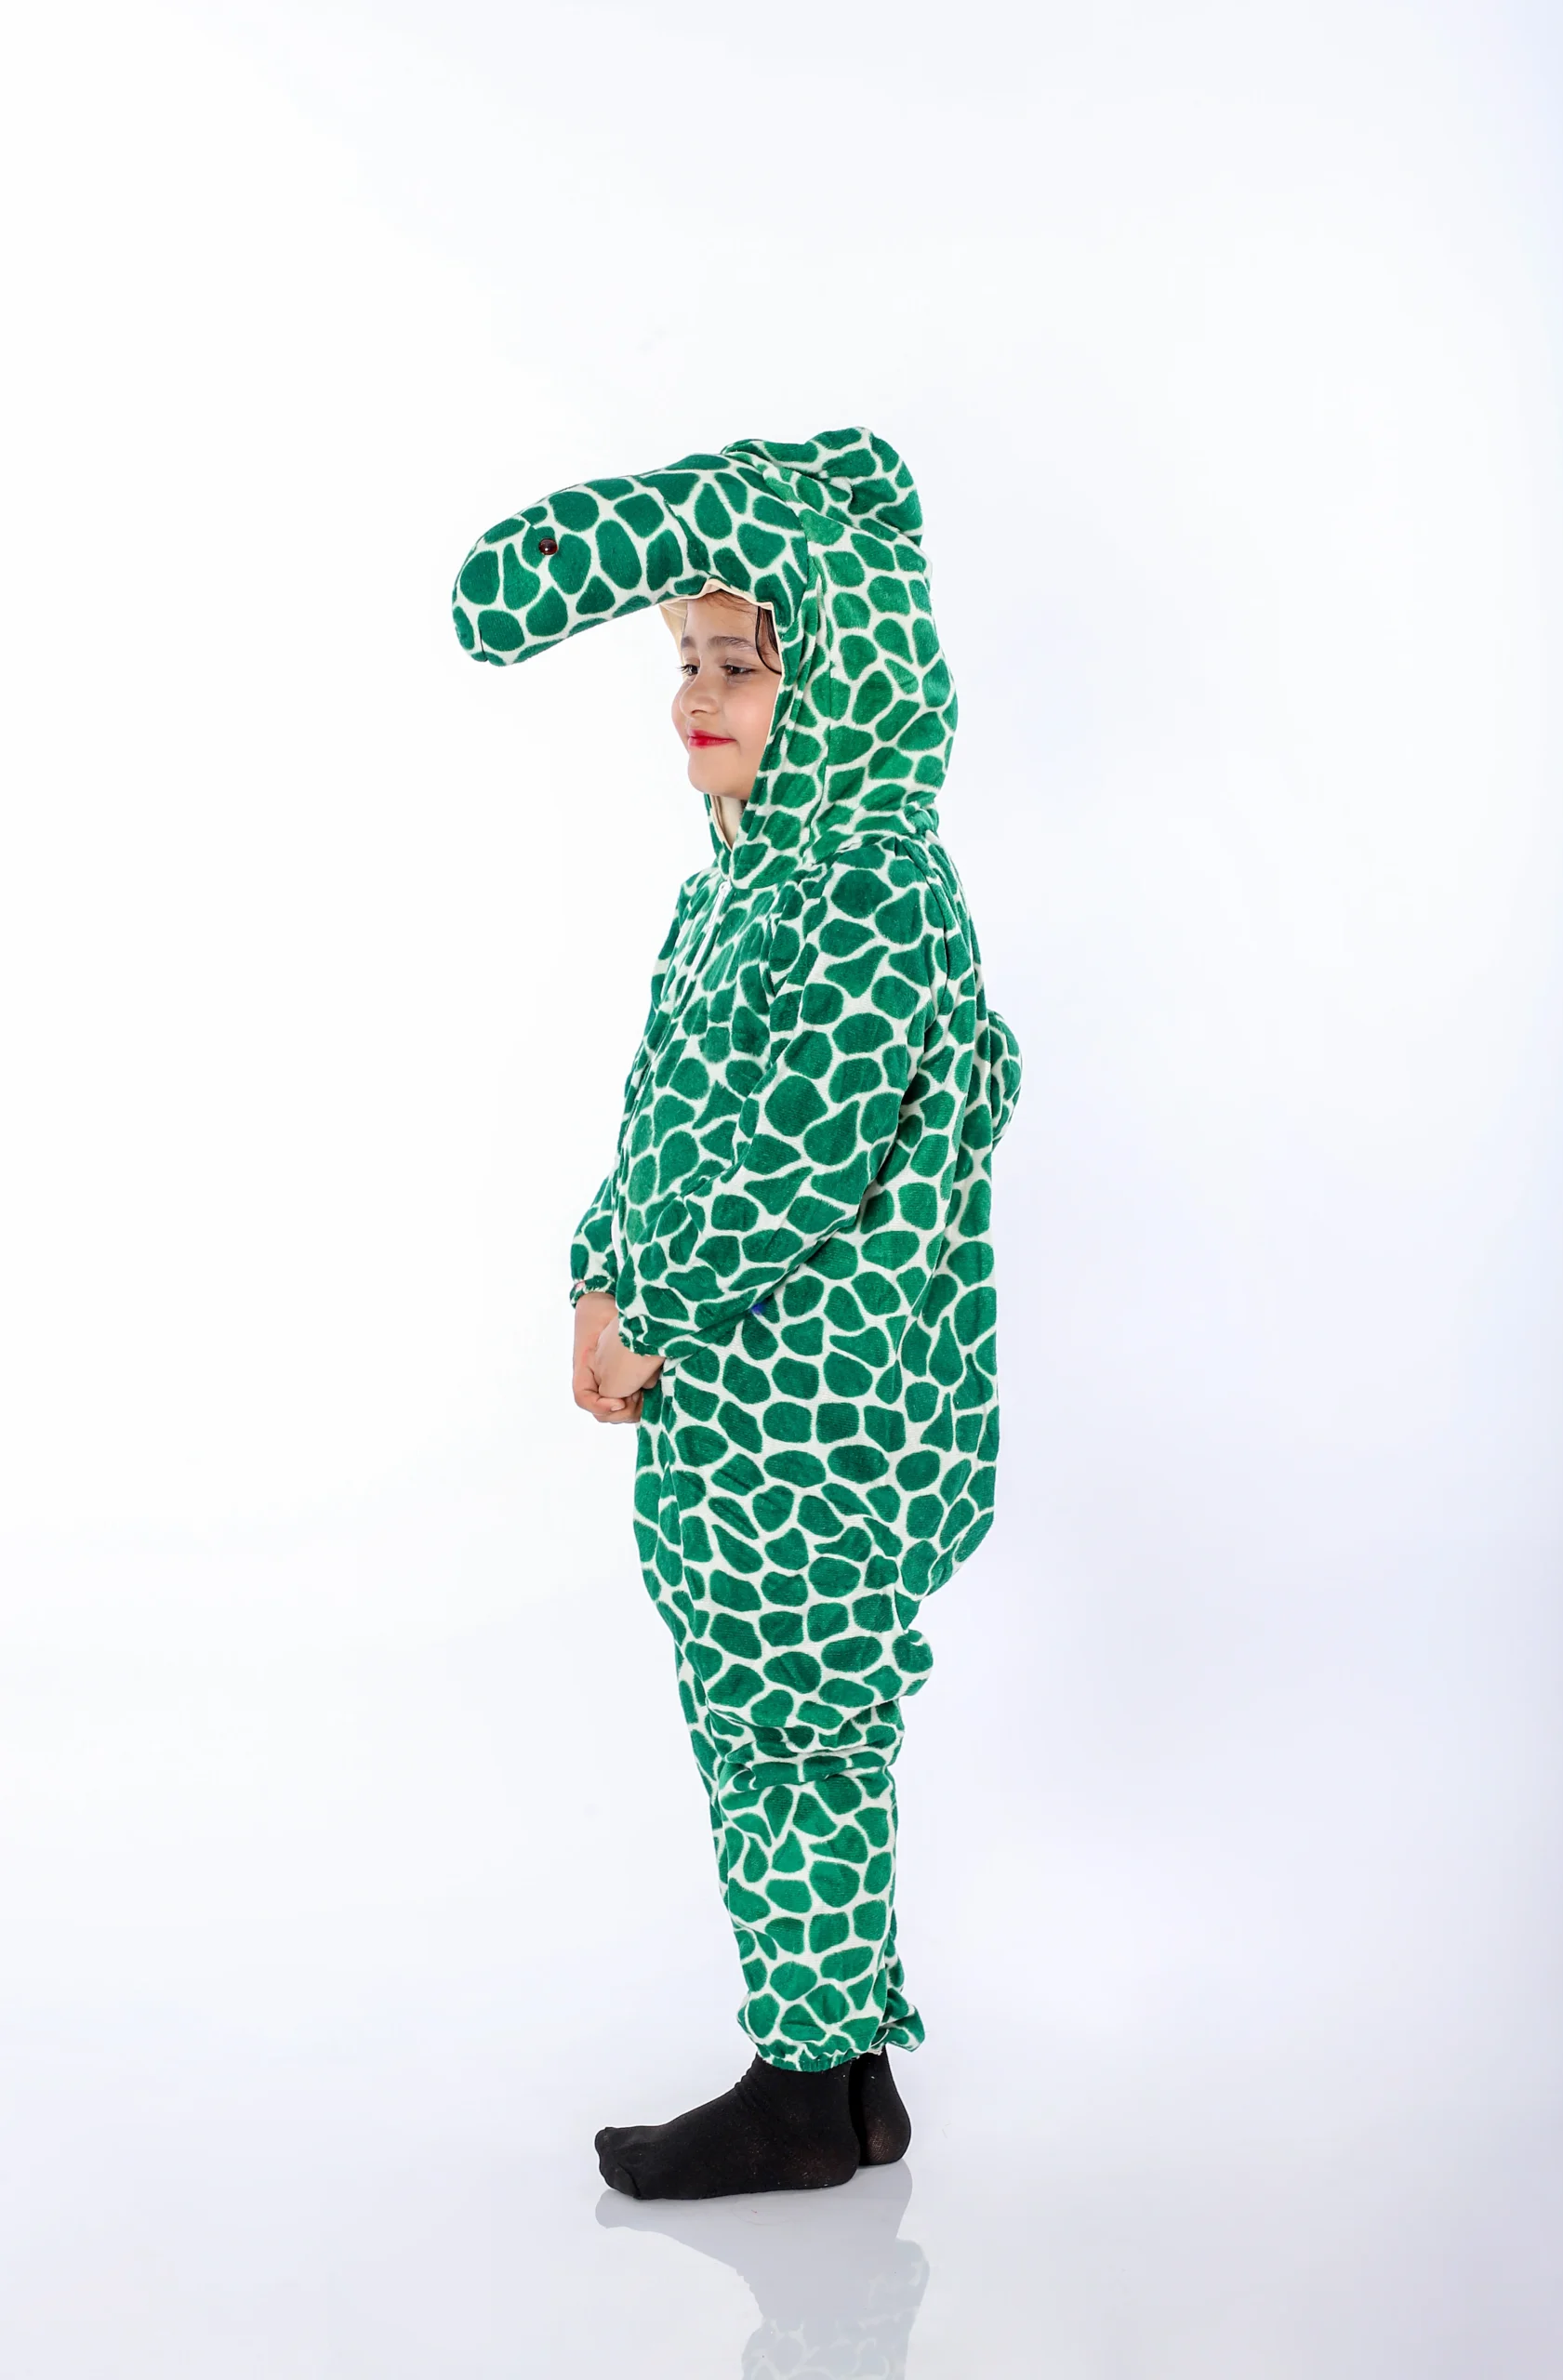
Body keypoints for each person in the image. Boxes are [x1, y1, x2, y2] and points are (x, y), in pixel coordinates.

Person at [452, 428, 1020, 2200]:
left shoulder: (868, 889)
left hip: (823, 1411)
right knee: (768, 1723)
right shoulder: (738, 889)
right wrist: (595, 1276)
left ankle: (798, 2083)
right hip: (730, 1399)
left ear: (840, 680)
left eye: (741, 664)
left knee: (797, 1734)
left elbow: (795, 1146)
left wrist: (661, 1301)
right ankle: (848, 2078)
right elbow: (662, 1118)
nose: (697, 695)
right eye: (685, 662)